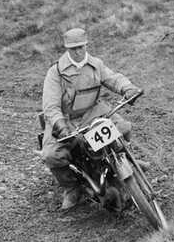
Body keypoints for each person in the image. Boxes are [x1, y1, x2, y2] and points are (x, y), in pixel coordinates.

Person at [39, 28, 143, 210]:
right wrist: (61, 127)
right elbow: (51, 106)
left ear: (86, 44)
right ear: (66, 49)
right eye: (73, 48)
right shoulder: (56, 72)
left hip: (93, 111)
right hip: (66, 118)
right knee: (52, 155)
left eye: (80, 47)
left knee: (123, 127)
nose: (77, 51)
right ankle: (73, 189)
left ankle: (127, 160)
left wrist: (128, 88)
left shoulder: (96, 64)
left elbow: (113, 78)